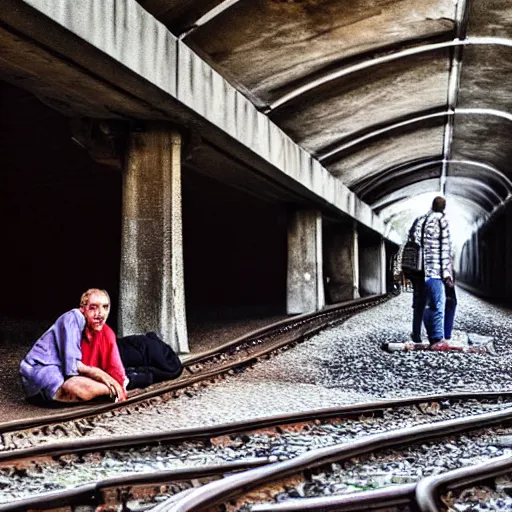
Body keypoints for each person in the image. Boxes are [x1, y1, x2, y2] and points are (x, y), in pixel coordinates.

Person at [19, 289, 127, 404]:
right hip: (40, 372)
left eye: (105, 307)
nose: (100, 313)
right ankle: (112, 392)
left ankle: (111, 391)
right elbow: (74, 367)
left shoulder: (91, 329)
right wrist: (109, 380)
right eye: (93, 307)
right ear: (82, 309)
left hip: (46, 382)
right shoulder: (73, 317)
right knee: (77, 386)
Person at [408, 196, 453, 347]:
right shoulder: (442, 221)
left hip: (418, 271)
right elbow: (445, 248)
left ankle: (416, 334)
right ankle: (436, 338)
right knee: (437, 304)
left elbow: (411, 240)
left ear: (432, 205)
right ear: (443, 208)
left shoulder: (420, 220)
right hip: (434, 271)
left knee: (419, 303)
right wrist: (446, 274)